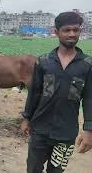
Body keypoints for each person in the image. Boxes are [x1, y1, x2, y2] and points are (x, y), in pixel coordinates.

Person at [21, 12, 92, 173]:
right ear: (56, 32)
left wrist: (89, 129)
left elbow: (89, 99)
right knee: (33, 169)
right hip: (39, 130)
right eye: (67, 30)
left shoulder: (87, 65)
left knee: (57, 171)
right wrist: (26, 118)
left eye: (76, 30)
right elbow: (34, 93)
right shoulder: (43, 61)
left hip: (66, 135)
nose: (72, 34)